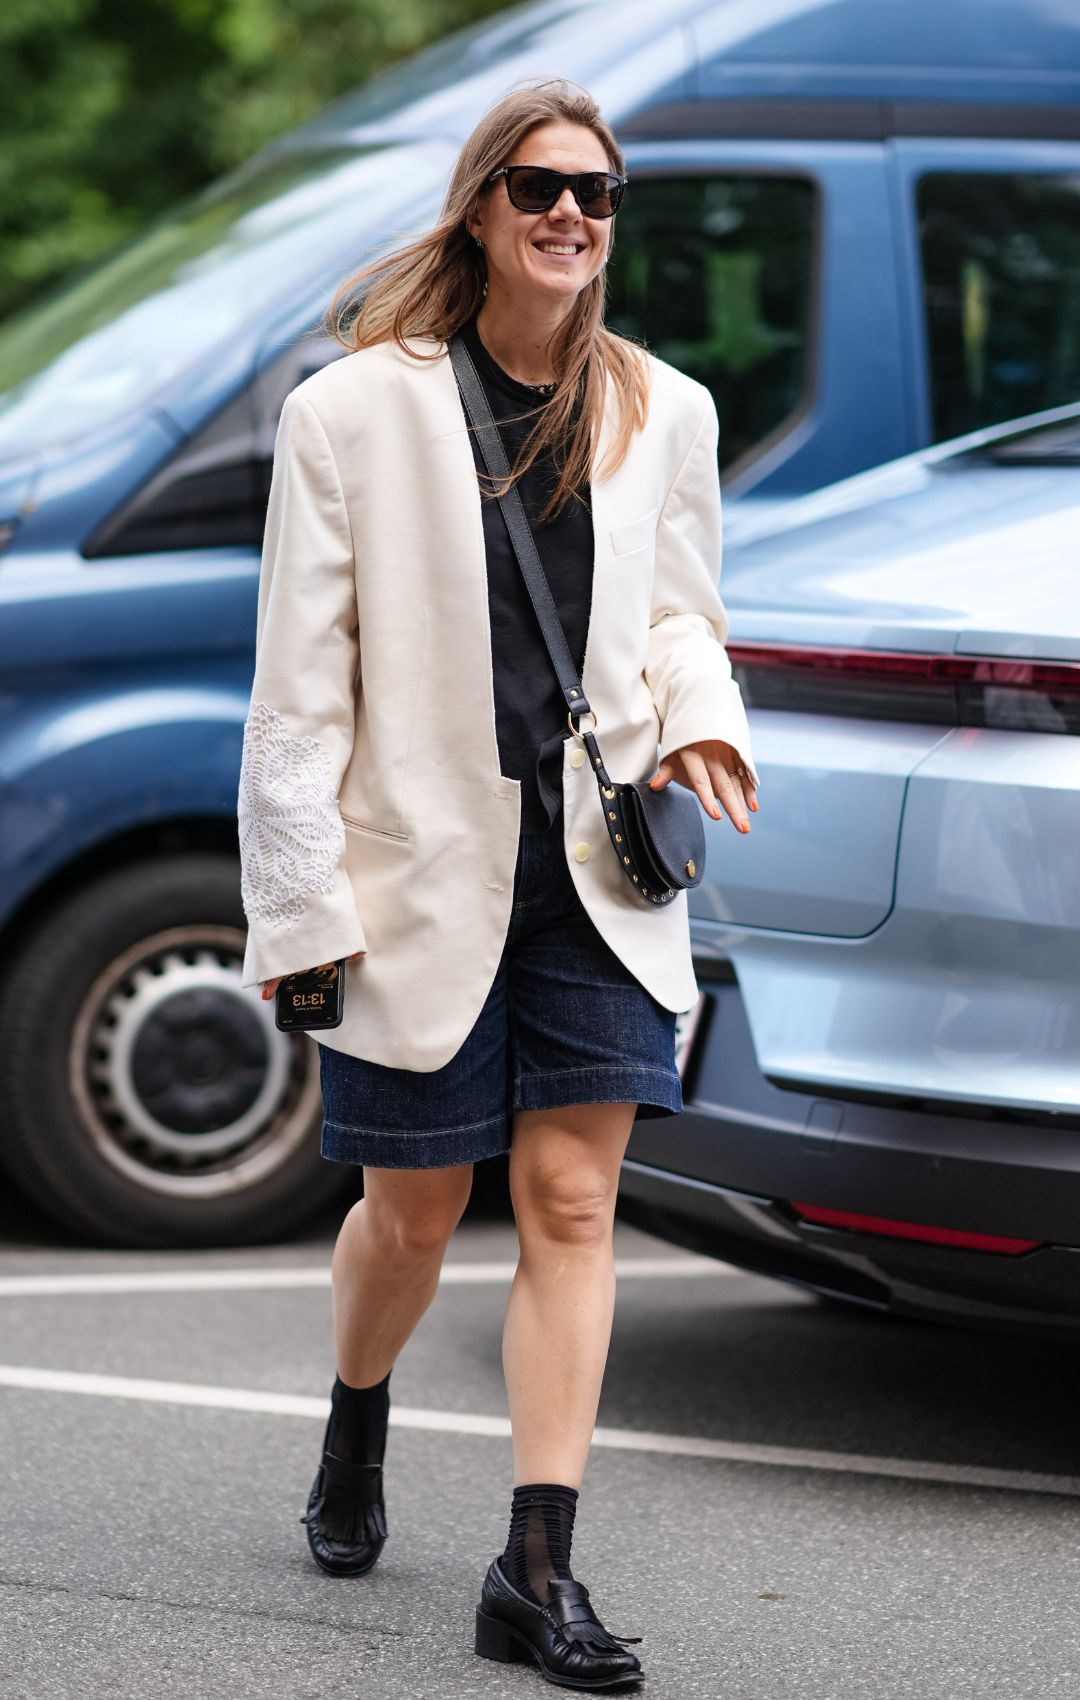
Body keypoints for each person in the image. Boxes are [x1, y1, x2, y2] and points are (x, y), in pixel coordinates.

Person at [236, 74, 761, 1692]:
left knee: (573, 1199)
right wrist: (301, 914)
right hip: (415, 880)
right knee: (410, 1213)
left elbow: (677, 619)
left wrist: (704, 726)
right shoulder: (353, 414)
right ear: (480, 206)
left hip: (599, 872)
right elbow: (300, 694)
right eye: (537, 186)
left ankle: (535, 1568)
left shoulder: (666, 411)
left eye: (596, 195)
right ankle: (356, 1418)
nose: (567, 217)